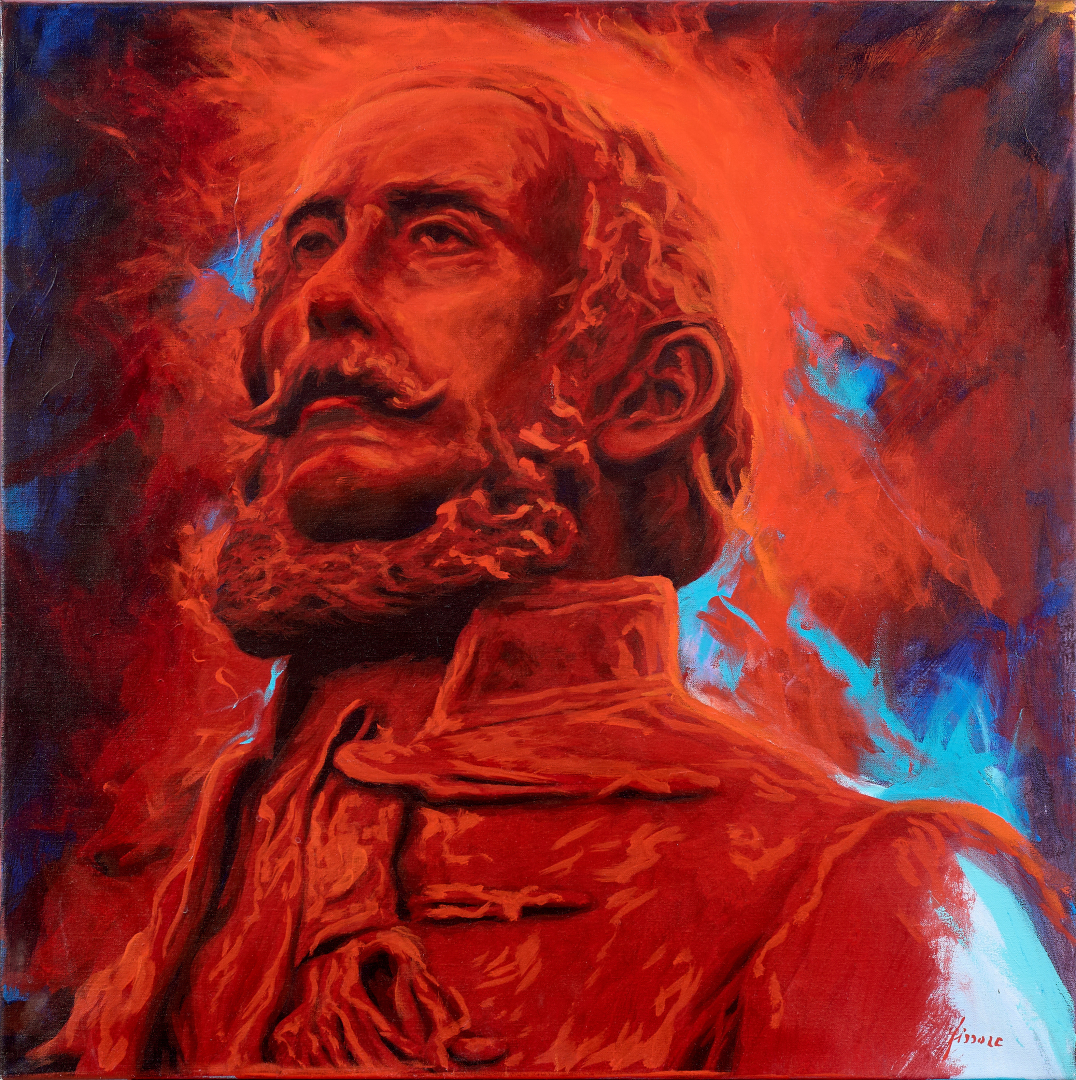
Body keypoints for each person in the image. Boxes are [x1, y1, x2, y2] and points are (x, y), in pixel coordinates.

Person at [34, 69, 1073, 1076]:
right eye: (308, 245)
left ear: (653, 394)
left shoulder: (878, 889)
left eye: (439, 236)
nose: (326, 297)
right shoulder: (176, 886)